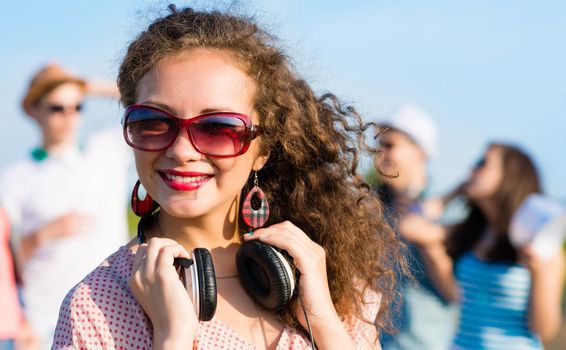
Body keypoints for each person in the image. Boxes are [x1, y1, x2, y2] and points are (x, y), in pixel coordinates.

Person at [52, 5, 406, 350]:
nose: (182, 150)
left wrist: (324, 319)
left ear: (263, 149)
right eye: (154, 123)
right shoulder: (97, 305)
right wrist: (172, 338)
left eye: (217, 128)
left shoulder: (323, 280)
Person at [0, 64, 130, 349]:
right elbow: (7, 264)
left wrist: (84, 84)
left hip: (110, 315)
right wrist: (41, 236)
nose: (70, 116)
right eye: (57, 107)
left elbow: (142, 96)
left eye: (77, 107)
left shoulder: (106, 152)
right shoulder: (15, 177)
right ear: (35, 111)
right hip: (42, 323)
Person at [400, 143, 565, 349]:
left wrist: (538, 271)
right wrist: (456, 191)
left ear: (509, 177)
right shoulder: (471, 232)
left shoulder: (540, 240)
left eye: (482, 163)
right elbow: (409, 226)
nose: (471, 169)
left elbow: (545, 330)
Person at [375, 105, 458, 350]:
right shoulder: (372, 209)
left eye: (389, 145)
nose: (379, 152)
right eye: (379, 144)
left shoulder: (451, 214)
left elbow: (459, 294)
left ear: (419, 152)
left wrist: (426, 238)